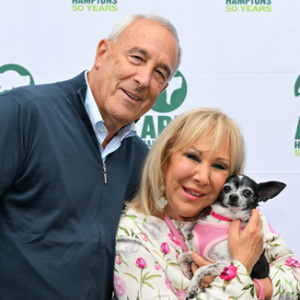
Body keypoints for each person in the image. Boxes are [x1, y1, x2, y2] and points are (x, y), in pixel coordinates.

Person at [0, 14, 181, 300]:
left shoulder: (143, 162)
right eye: (136, 57)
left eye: (160, 73)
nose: (144, 79)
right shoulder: (22, 114)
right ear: (102, 53)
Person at [113, 108, 300, 299]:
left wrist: (256, 288)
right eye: (193, 157)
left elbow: (296, 280)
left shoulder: (243, 218)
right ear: (164, 158)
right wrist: (239, 268)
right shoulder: (132, 233)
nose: (202, 177)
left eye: (219, 166)